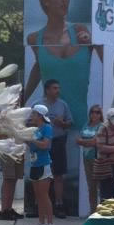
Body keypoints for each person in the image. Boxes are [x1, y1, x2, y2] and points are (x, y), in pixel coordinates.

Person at [42, 78, 73, 217]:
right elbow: (29, 122)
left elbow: (70, 122)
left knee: (58, 174)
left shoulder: (63, 105)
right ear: (47, 90)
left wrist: (63, 123)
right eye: (55, 88)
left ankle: (59, 204)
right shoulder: (38, 104)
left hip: (58, 141)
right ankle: (40, 205)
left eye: (58, 88)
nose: (58, 91)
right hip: (43, 143)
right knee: (42, 175)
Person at [26, 102, 55, 225]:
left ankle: (50, 223)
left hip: (44, 164)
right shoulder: (35, 129)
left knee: (44, 195)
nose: (31, 116)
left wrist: (32, 140)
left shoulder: (47, 127)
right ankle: (41, 221)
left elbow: (45, 145)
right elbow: (32, 145)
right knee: (38, 196)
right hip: (34, 164)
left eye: (33, 113)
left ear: (39, 115)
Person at [78, 104, 104, 214]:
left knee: (100, 186)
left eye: (97, 112)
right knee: (91, 187)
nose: (94, 114)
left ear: (100, 115)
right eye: (92, 112)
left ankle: (102, 211)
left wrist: (84, 142)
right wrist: (88, 142)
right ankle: (92, 211)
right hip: (86, 159)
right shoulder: (86, 125)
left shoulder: (102, 126)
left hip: (97, 159)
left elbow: (95, 142)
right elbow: (77, 140)